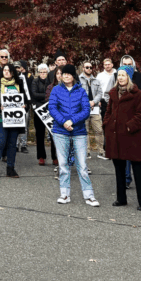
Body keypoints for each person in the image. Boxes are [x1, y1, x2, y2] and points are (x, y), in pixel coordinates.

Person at [48, 65, 99, 206]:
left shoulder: (81, 91)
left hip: (79, 132)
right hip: (60, 131)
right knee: (63, 164)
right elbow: (52, 108)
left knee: (82, 165)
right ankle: (64, 194)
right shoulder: (56, 90)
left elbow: (86, 110)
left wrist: (72, 121)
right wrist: (64, 122)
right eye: (64, 74)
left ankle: (89, 195)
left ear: (73, 76)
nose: (66, 76)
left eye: (69, 74)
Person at [104, 67, 141, 210]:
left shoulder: (137, 94)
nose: (120, 78)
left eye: (123, 75)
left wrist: (129, 126)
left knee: (137, 168)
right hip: (115, 135)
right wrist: (106, 124)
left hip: (131, 136)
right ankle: (121, 199)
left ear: (129, 77)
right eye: (118, 75)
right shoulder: (113, 92)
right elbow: (108, 111)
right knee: (118, 169)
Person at [0, 62, 27, 179]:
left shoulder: (19, 84)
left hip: (15, 119)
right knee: (0, 142)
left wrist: (25, 106)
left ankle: (10, 169)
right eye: (5, 70)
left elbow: (26, 99)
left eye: (9, 70)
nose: (7, 72)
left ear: (13, 73)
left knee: (12, 144)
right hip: (1, 119)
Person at [29, 63, 57, 166]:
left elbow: (52, 94)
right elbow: (34, 94)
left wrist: (44, 97)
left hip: (50, 109)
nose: (43, 74)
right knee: (40, 134)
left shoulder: (51, 82)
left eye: (45, 72)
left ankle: (55, 157)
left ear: (47, 73)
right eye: (41, 72)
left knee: (53, 133)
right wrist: (46, 96)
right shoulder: (35, 81)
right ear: (38, 73)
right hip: (39, 110)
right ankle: (41, 157)